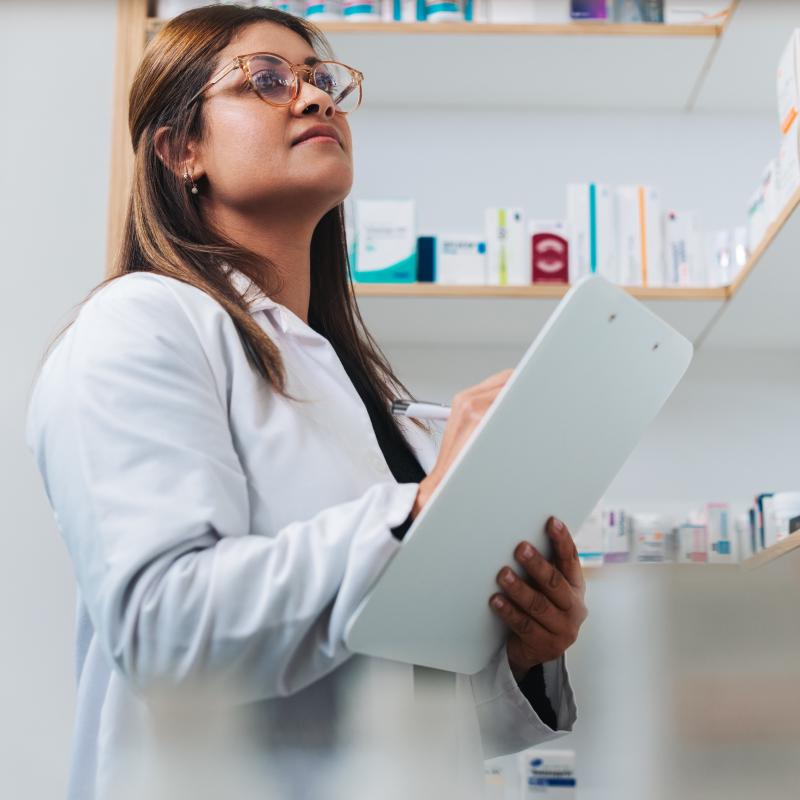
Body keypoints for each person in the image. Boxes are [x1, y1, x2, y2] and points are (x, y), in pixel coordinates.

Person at [25, 5, 586, 799]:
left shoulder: (370, 400)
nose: (317, 99)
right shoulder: (138, 325)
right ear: (182, 147)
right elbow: (162, 629)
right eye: (266, 81)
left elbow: (403, 693)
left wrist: (523, 652)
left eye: (322, 80)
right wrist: (417, 516)